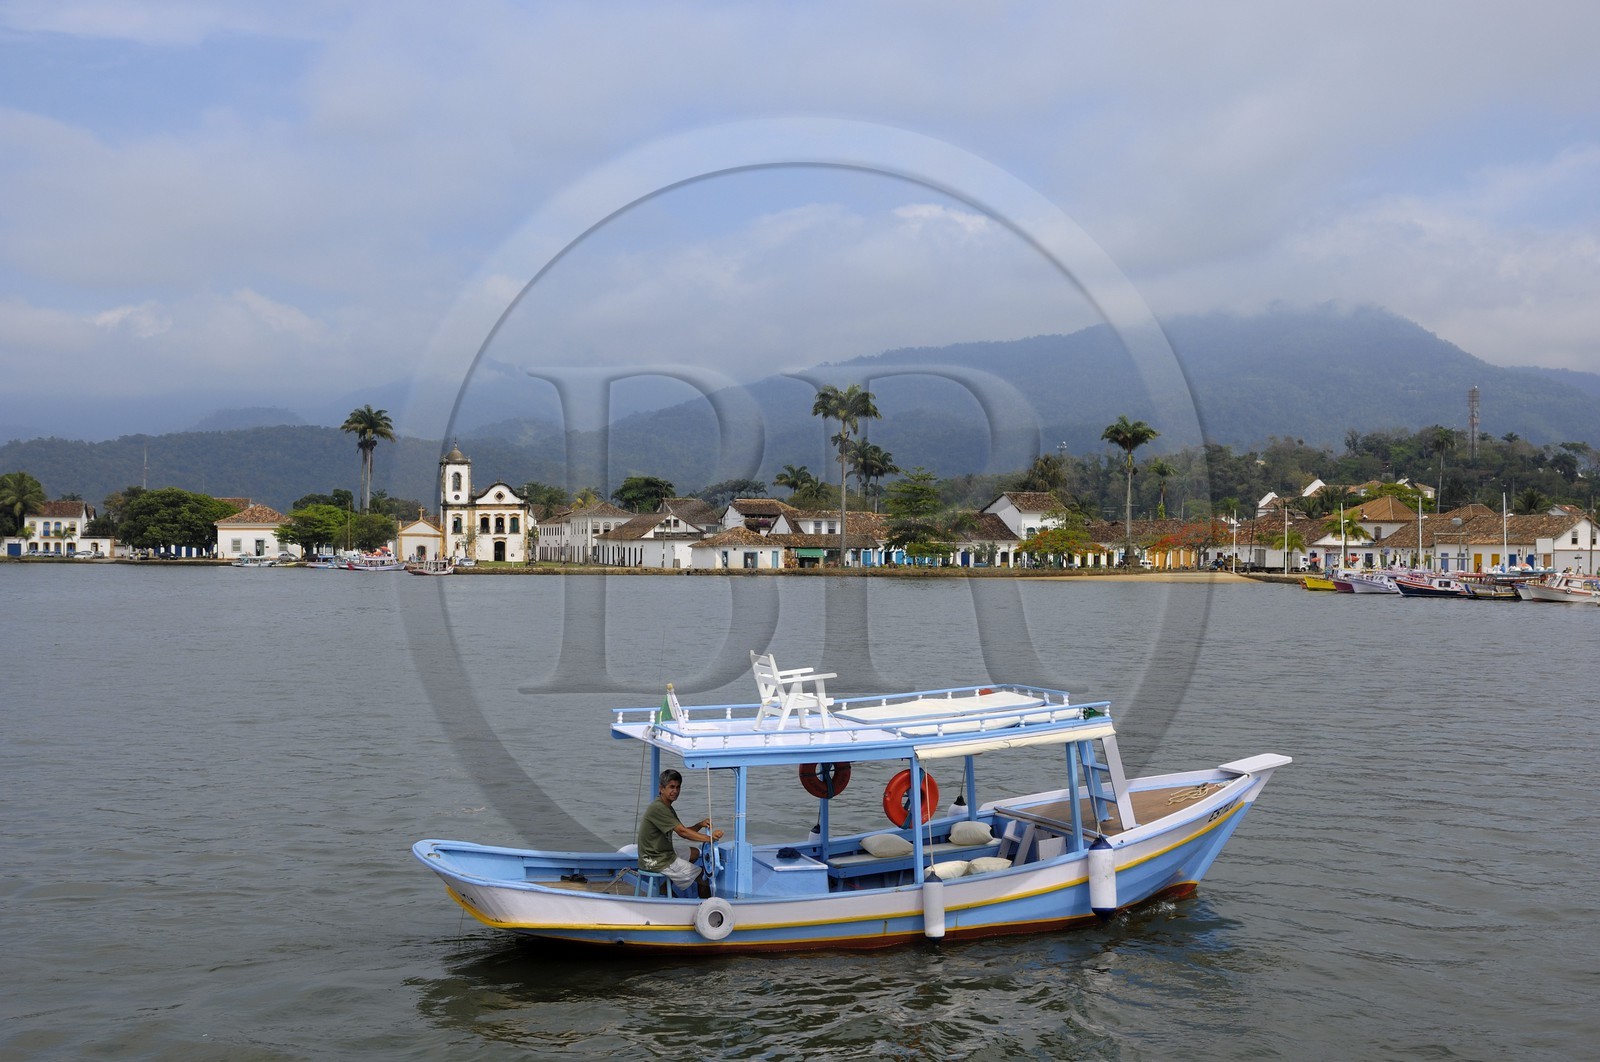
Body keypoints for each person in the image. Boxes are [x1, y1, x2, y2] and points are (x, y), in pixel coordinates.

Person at [638, 769, 723, 898]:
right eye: (672, 787)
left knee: (694, 853)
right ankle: (706, 906)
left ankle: (663, 888)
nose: (675, 791)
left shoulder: (666, 806)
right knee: (702, 877)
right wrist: (709, 838)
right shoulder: (659, 808)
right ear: (661, 788)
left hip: (662, 853)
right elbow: (683, 832)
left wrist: (699, 825)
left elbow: (682, 829)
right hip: (656, 859)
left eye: (678, 787)